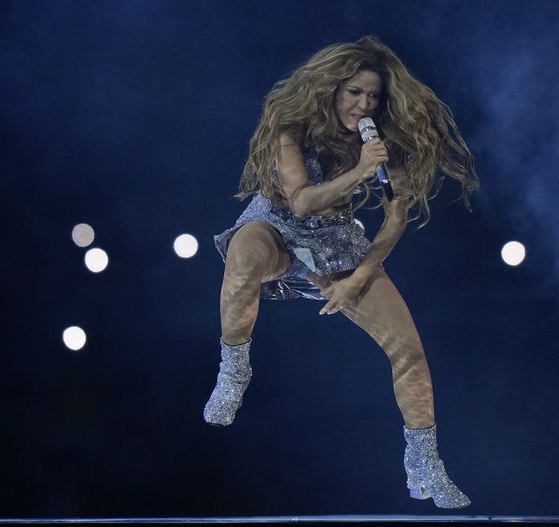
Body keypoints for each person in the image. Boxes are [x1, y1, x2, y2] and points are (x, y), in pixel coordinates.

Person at [203, 36, 479, 509]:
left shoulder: (385, 144)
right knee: (243, 257)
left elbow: (395, 220)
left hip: (334, 240)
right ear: (331, 89)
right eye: (354, 92)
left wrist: (357, 278)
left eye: (372, 96)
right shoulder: (290, 123)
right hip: (275, 222)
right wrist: (358, 171)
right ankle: (234, 369)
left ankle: (424, 464)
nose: (363, 104)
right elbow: (301, 201)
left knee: (409, 350)